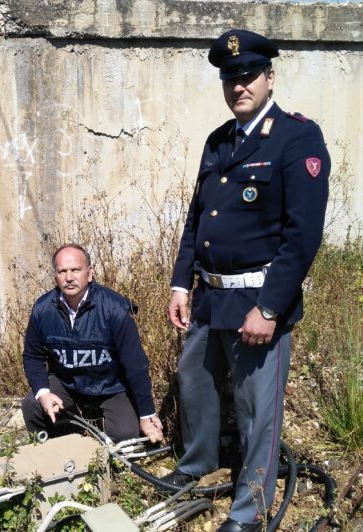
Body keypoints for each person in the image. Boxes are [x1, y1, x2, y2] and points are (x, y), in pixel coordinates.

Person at [164, 29, 330, 532]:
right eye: (229, 78)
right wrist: (179, 283)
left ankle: (250, 510)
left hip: (258, 301)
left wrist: (271, 308)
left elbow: (302, 236)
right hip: (209, 298)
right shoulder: (219, 141)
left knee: (258, 414)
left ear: (269, 77)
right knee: (196, 388)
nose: (238, 86)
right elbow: (198, 218)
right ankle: (197, 465)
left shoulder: (297, 138)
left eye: (248, 76)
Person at [21, 243, 165, 445]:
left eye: (76, 270)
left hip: (110, 387)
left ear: (89, 274)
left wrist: (147, 413)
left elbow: (136, 364)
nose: (69, 277)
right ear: (55, 277)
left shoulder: (114, 308)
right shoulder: (43, 309)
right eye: (62, 271)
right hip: (67, 385)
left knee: (126, 435)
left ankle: (101, 448)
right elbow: (32, 356)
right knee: (32, 405)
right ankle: (50, 452)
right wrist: (44, 393)